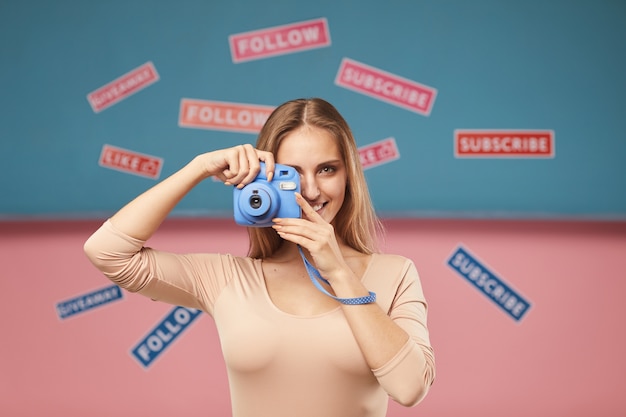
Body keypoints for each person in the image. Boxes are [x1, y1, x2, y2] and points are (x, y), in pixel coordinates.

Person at [84, 97, 435, 417]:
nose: (311, 191)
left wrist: (340, 273)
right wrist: (200, 167)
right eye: (292, 173)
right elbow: (107, 253)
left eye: (327, 169)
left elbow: (410, 388)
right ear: (265, 179)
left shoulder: (395, 274)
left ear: (349, 176)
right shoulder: (227, 278)